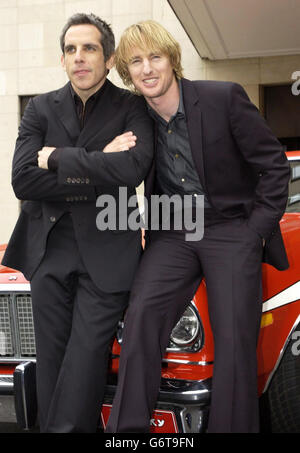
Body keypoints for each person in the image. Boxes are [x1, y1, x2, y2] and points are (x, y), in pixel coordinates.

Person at [105, 20, 290, 433]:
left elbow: (274, 167)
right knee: (140, 321)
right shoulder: (135, 118)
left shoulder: (222, 97)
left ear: (172, 59)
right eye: (136, 62)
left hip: (231, 229)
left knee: (235, 343)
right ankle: (126, 434)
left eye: (154, 57)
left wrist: (254, 231)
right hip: (173, 233)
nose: (147, 68)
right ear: (128, 73)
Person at [2, 13, 153, 433]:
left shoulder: (132, 106)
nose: (79, 58)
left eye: (89, 48)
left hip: (109, 253)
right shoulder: (39, 107)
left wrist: (58, 159)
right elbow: (22, 179)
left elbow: (133, 170)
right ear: (62, 59)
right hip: (48, 249)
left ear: (107, 58)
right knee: (52, 365)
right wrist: (101, 159)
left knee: (85, 360)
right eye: (71, 49)